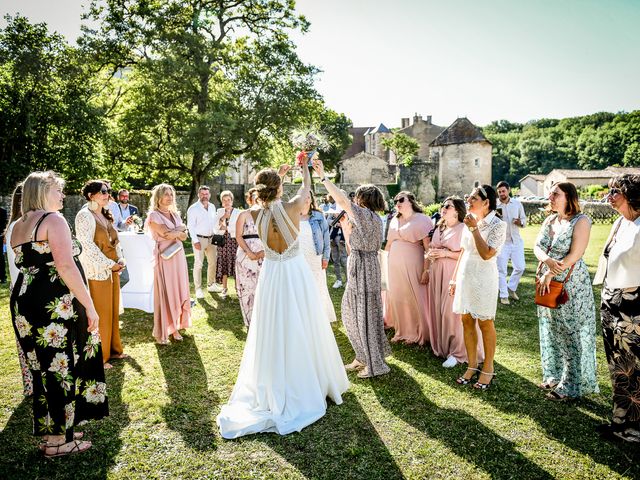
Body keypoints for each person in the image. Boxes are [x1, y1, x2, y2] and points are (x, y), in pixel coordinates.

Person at [217, 157, 349, 439]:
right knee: (303, 321)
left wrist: (277, 176)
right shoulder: (292, 207)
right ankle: (310, 378)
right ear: (279, 189)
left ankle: (275, 377)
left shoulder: (253, 214)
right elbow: (305, 188)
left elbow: (265, 198)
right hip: (294, 271)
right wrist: (303, 167)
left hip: (272, 274)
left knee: (273, 325)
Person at [10, 171, 107, 457]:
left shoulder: (17, 224)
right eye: (58, 191)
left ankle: (57, 429)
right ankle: (57, 442)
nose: (63, 196)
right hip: (53, 303)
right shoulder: (53, 220)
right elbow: (65, 267)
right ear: (42, 192)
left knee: (43, 370)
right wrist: (90, 305)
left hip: (24, 301)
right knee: (61, 368)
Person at [313, 160, 391, 378]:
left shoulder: (365, 214)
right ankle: (362, 356)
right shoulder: (375, 218)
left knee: (363, 314)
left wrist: (322, 176)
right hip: (362, 262)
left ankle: (374, 365)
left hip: (364, 266)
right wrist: (347, 229)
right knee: (351, 312)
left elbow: (340, 199)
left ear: (362, 199)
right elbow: (351, 246)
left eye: (356, 197)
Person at [534, 182, 598, 401]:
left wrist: (551, 272)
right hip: (547, 283)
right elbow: (537, 247)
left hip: (571, 284)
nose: (550, 198)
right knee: (551, 329)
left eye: (555, 194)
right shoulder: (550, 219)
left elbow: (575, 254)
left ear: (568, 197)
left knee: (570, 332)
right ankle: (554, 374)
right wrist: (547, 261)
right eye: (550, 194)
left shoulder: (581, 221)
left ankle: (570, 385)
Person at [594, 174, 640, 442]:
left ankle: (635, 429)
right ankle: (618, 421)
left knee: (635, 368)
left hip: (634, 307)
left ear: (631, 195)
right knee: (617, 365)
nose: (608, 196)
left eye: (615, 192)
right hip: (611, 303)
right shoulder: (620, 223)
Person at [450, 185, 506, 390]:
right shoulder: (469, 221)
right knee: (466, 319)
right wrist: (454, 279)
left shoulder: (498, 225)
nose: (469, 201)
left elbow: (487, 253)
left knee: (485, 321)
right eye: (469, 197)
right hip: (466, 273)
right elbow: (463, 251)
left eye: (473, 198)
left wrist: (474, 229)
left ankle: (488, 367)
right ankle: (472, 365)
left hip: (484, 276)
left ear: (486, 202)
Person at [76, 180, 127, 369]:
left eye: (108, 191)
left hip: (113, 270)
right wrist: (109, 265)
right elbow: (87, 248)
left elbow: (116, 242)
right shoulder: (84, 216)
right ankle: (100, 356)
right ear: (91, 195)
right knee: (100, 314)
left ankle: (114, 350)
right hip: (97, 272)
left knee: (112, 311)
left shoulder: (106, 214)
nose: (108, 194)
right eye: (103, 191)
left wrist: (120, 260)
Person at [427, 197, 483, 368]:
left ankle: (458, 353)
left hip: (454, 272)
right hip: (437, 272)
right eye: (443, 205)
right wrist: (431, 254)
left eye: (447, 206)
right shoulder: (439, 227)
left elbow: (467, 254)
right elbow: (432, 246)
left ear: (457, 210)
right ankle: (443, 347)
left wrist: (444, 254)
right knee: (438, 309)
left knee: (452, 313)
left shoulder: (463, 228)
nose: (443, 208)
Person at [383, 191, 433, 345]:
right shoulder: (393, 220)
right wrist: (382, 263)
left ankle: (415, 332)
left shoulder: (423, 220)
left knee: (412, 296)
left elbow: (428, 248)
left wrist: (426, 270)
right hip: (393, 265)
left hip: (413, 264)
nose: (397, 202)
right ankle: (401, 330)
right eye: (395, 199)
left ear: (411, 201)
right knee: (397, 296)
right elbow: (388, 244)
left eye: (401, 199)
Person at [146, 184, 192, 344]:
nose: (169, 197)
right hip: (164, 258)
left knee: (179, 289)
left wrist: (176, 232)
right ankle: (167, 329)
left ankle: (177, 326)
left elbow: (184, 236)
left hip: (178, 257)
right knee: (168, 291)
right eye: (166, 194)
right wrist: (177, 232)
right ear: (158, 197)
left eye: (171, 194)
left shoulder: (174, 214)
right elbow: (165, 233)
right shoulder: (154, 215)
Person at [5, 183, 33, 397]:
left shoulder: (14, 225)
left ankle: (31, 384)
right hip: (25, 286)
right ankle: (33, 384)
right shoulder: (20, 226)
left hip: (19, 286)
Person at [299, 190, 336, 323]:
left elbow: (326, 238)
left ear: (311, 199)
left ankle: (319, 316)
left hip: (315, 256)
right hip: (297, 257)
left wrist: (326, 257)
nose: (306, 199)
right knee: (300, 286)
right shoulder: (292, 216)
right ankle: (303, 314)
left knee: (317, 285)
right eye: (303, 196)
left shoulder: (318, 215)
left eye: (309, 196)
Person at [234, 188, 265, 327]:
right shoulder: (243, 214)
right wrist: (249, 252)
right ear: (249, 199)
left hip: (265, 255)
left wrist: (264, 252)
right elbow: (238, 235)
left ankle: (264, 320)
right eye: (253, 196)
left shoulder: (266, 214)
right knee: (247, 288)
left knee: (263, 288)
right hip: (245, 255)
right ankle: (250, 321)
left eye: (259, 196)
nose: (256, 198)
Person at [187, 186, 222, 299]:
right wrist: (195, 241)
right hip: (199, 239)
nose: (204, 196)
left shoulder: (212, 207)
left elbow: (214, 223)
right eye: (202, 194)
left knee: (213, 262)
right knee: (198, 264)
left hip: (211, 239)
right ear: (198, 194)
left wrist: (218, 232)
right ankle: (198, 289)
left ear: (209, 195)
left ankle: (211, 284)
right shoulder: (193, 208)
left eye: (206, 194)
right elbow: (190, 226)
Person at [496, 181, 526, 305]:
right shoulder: (495, 206)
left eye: (503, 191)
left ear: (508, 190)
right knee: (501, 270)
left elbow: (524, 220)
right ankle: (503, 295)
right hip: (502, 243)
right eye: (499, 192)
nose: (502, 194)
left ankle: (511, 288)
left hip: (516, 241)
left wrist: (520, 222)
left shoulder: (517, 204)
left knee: (520, 267)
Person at [215, 191, 240, 299]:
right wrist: (223, 217)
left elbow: (238, 228)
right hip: (222, 241)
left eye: (228, 200)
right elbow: (216, 227)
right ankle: (224, 288)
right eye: (224, 200)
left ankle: (237, 288)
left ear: (232, 200)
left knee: (236, 263)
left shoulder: (238, 212)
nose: (226, 202)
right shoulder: (219, 211)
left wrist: (226, 228)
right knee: (223, 263)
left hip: (235, 241)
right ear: (221, 202)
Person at [0, 204, 6, 284]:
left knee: (0, 258)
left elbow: (4, 225)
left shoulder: (2, 212)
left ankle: (3, 277)